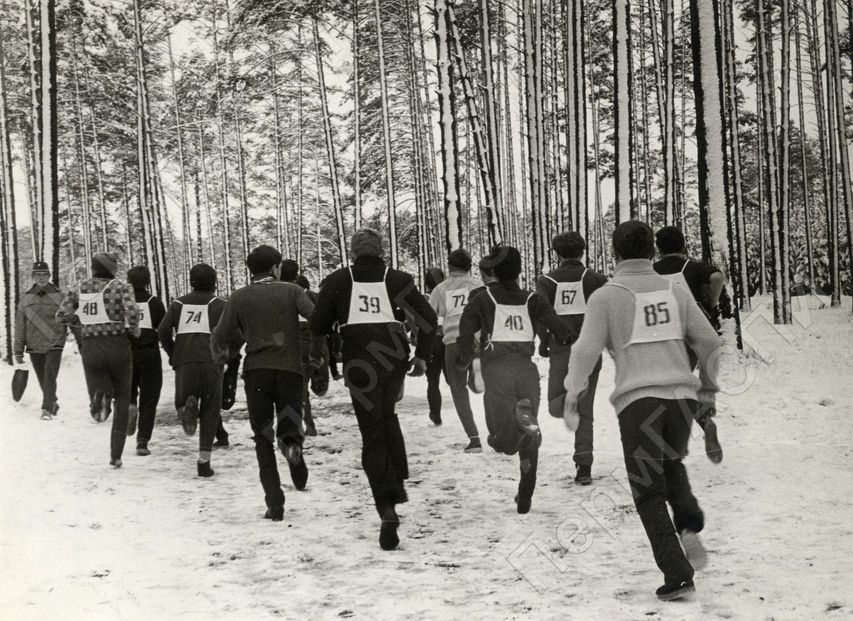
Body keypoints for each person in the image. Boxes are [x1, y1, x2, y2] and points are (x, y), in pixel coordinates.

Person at [563, 221, 720, 601]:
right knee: (670, 462)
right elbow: (710, 341)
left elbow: (584, 351)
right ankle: (688, 524)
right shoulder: (675, 288)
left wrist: (572, 392)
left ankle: (677, 573)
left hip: (638, 401)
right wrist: (707, 389)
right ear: (652, 252)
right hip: (681, 397)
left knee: (647, 491)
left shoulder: (605, 296)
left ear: (614, 253)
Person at [311, 228, 438, 551]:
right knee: (387, 415)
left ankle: (386, 505)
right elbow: (428, 318)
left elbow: (317, 325)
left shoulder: (338, 280)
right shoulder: (397, 279)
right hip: (393, 360)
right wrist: (421, 356)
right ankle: (398, 479)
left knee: (372, 429)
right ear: (381, 252)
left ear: (353, 253)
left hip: (359, 365)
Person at [456, 246, 573, 514]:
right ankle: (525, 495)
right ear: (519, 271)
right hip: (526, 371)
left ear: (493, 272)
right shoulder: (533, 299)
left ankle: (505, 437)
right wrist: (564, 338)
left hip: (498, 372)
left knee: (502, 439)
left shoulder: (482, 298)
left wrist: (464, 358)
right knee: (529, 436)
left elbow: (466, 330)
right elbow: (561, 329)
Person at [211, 246, 316, 520]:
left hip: (257, 372)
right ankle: (292, 446)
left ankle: (274, 502)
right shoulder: (293, 291)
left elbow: (220, 334)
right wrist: (313, 350)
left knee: (262, 436)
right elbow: (315, 318)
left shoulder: (239, 296)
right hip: (290, 370)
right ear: (275, 268)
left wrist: (222, 357)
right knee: (290, 422)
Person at [57, 252, 140, 468]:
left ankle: (100, 396)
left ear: (94, 268)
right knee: (122, 399)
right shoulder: (122, 287)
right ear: (112, 268)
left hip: (91, 346)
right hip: (118, 344)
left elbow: (62, 315)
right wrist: (134, 329)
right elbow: (132, 311)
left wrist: (83, 321)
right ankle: (116, 454)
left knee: (97, 380)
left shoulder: (80, 287)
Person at [536, 232, 607, 485]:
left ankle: (569, 399)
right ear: (583, 251)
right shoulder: (596, 279)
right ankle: (584, 465)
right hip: (590, 350)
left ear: (557, 254)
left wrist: (544, 340)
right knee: (585, 411)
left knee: (553, 404)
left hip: (561, 350)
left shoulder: (546, 281)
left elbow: (540, 314)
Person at [653, 226, 724, 463]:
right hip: (691, 332)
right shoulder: (692, 267)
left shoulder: (652, 270)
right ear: (683, 245)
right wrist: (713, 303)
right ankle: (703, 421)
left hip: (663, 333)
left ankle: (673, 444)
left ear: (658, 248)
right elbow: (717, 277)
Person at [157, 264, 230, 477]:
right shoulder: (220, 305)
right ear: (214, 282)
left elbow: (162, 329)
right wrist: (227, 353)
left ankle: (186, 407)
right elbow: (234, 332)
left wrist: (173, 352)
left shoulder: (178, 304)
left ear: (191, 281)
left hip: (185, 361)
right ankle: (204, 461)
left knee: (182, 397)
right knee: (211, 411)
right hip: (212, 362)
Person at [428, 250, 483, 451]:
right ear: (470, 266)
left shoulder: (440, 289)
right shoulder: (478, 285)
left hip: (453, 341)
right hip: (476, 340)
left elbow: (429, 316)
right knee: (484, 386)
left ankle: (474, 438)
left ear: (449, 266)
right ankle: (476, 375)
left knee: (458, 390)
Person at [14, 262, 67, 420]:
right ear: (33, 277)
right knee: (42, 377)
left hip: (55, 342)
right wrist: (18, 350)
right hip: (34, 343)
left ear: (49, 276)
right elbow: (20, 326)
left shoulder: (60, 296)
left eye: (45, 274)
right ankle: (52, 401)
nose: (42, 278)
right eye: (38, 274)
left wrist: (82, 341)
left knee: (50, 375)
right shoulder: (25, 299)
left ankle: (46, 409)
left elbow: (71, 318)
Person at [126, 266, 165, 455]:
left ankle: (130, 405)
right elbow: (163, 328)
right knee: (150, 398)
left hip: (127, 353)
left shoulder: (122, 302)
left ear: (128, 282)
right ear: (148, 281)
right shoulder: (154, 302)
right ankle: (142, 441)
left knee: (128, 389)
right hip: (149, 353)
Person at [294, 274, 324, 437]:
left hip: (298, 347)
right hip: (314, 346)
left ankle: (306, 425)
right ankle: (308, 425)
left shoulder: (288, 296)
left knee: (300, 389)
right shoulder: (314, 297)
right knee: (303, 388)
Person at [421, 267, 447, 427]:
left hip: (431, 342)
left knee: (432, 381)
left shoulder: (423, 298)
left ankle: (435, 414)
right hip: (447, 339)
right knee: (453, 380)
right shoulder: (447, 296)